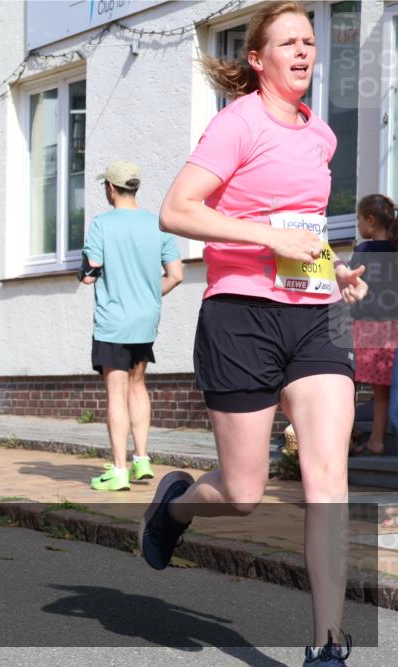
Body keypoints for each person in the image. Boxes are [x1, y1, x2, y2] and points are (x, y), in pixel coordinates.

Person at [140, 3, 367, 665]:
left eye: (309, 40)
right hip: (240, 316)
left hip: (315, 314)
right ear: (259, 60)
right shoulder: (236, 125)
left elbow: (304, 233)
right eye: (287, 42)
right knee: (242, 492)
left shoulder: (321, 136)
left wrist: (336, 271)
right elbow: (177, 209)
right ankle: (175, 509)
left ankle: (327, 643)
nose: (303, 50)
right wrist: (268, 236)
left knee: (328, 476)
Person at [80, 160, 183, 491]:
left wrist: (88, 271)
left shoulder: (102, 225)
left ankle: (119, 471)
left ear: (110, 188)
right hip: (145, 320)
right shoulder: (158, 224)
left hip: (113, 322)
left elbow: (88, 274)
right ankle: (141, 459)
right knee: (138, 386)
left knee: (116, 392)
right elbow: (176, 275)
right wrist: (151, 294)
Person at [349, 194, 398, 456]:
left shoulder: (363, 252)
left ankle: (348, 433)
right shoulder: (395, 248)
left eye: (357, 219)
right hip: (392, 326)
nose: (357, 225)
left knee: (350, 381)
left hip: (367, 324)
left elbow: (349, 285)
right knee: (383, 387)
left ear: (370, 220)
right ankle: (376, 439)